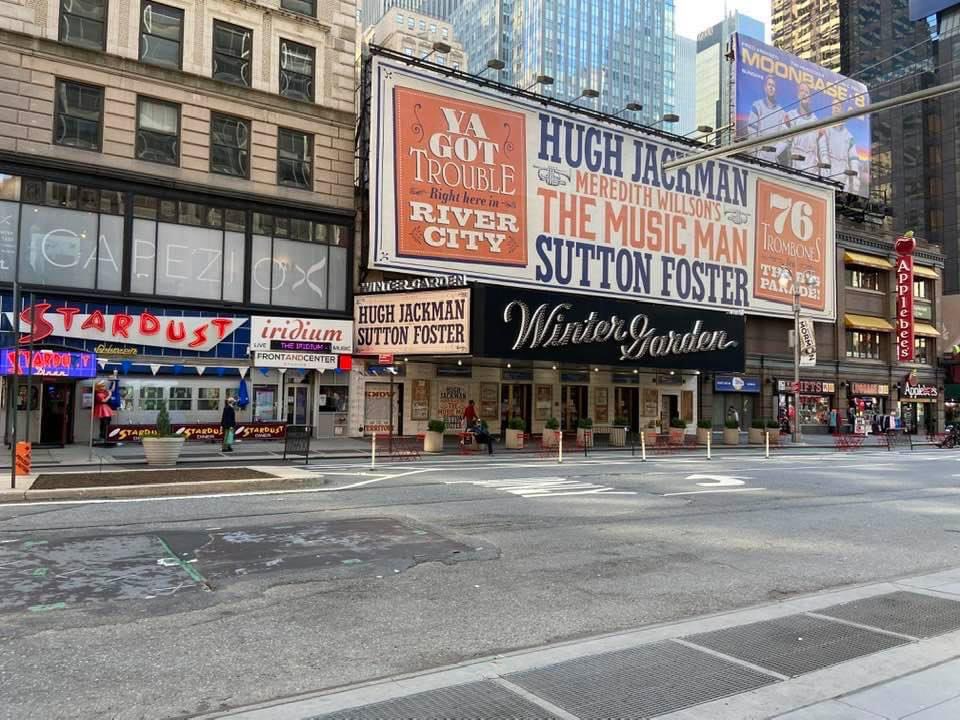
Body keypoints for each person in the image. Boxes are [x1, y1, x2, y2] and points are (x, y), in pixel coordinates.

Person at [818, 102, 860, 193]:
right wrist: (825, 168)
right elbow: (823, 150)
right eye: (833, 106)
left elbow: (853, 157)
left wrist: (856, 176)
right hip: (829, 172)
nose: (835, 108)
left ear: (842, 110)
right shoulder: (826, 130)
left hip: (844, 175)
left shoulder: (849, 136)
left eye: (838, 106)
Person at [748, 75, 790, 163]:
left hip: (772, 159)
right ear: (765, 88)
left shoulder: (781, 112)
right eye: (769, 85)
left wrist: (773, 153)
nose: (771, 87)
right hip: (757, 156)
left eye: (773, 86)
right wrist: (755, 156)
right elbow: (752, 133)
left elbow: (785, 140)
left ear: (776, 90)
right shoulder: (757, 106)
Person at [786, 82, 821, 172]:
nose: (804, 94)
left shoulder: (815, 120)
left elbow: (818, 149)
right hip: (795, 167)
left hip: (811, 170)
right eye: (801, 91)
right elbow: (784, 142)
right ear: (798, 95)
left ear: (810, 98)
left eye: (807, 92)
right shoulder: (790, 115)